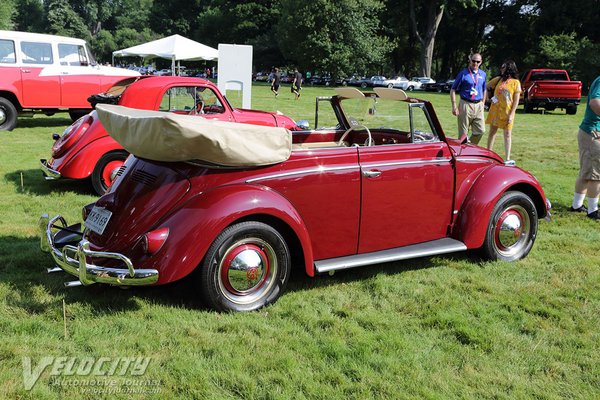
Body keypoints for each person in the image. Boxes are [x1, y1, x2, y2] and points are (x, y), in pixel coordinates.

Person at [570, 75, 600, 219]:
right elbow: (594, 102)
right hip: (593, 132)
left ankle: (577, 205)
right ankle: (593, 210)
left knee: (587, 171)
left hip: (590, 131)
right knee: (596, 174)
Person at [485, 60, 521, 161]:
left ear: (509, 68)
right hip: (495, 110)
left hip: (507, 112)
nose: (501, 69)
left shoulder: (516, 83)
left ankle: (508, 158)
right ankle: (489, 154)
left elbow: (516, 101)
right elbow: (486, 86)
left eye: (503, 67)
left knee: (507, 134)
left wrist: (512, 114)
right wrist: (487, 98)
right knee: (492, 132)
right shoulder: (498, 80)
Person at [450, 53, 487, 144]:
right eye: (473, 61)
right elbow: (453, 90)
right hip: (465, 104)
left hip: (478, 105)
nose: (475, 63)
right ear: (470, 61)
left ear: (481, 62)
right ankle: (462, 153)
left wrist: (483, 102)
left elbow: (484, 90)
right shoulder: (463, 73)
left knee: (480, 131)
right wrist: (454, 106)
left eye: (478, 62)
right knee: (463, 134)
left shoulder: (483, 74)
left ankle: (469, 147)